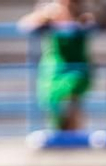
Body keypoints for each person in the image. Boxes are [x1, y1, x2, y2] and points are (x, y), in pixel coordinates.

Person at [19, 0, 95, 131]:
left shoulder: (84, 14)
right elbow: (24, 25)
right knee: (54, 104)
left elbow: (94, 24)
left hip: (76, 68)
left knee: (71, 97)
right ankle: (59, 132)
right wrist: (44, 15)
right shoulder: (49, 13)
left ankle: (74, 132)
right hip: (54, 69)